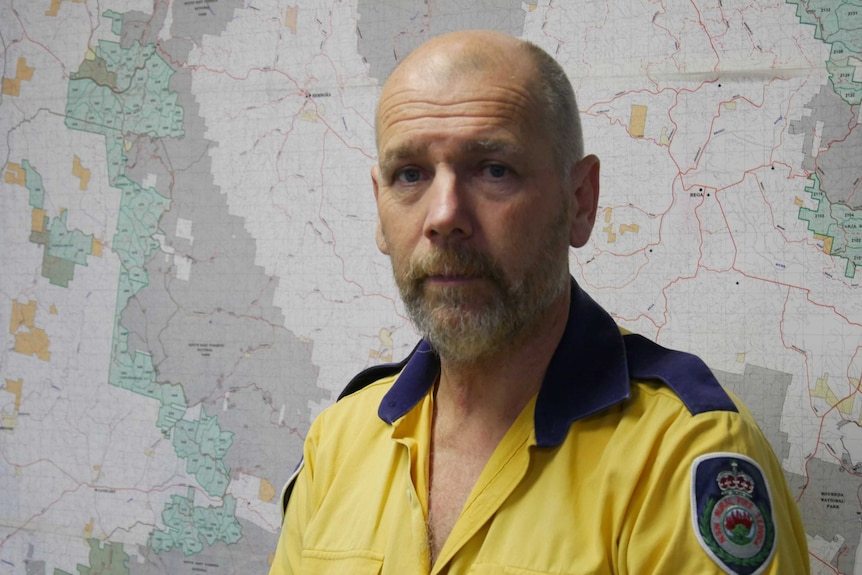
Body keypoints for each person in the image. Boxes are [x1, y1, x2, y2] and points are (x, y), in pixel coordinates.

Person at [269, 29, 810, 574]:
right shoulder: (336, 442)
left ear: (580, 201)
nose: (443, 216)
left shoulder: (683, 453)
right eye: (410, 175)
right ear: (380, 208)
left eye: (494, 170)